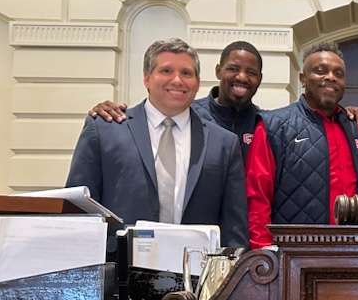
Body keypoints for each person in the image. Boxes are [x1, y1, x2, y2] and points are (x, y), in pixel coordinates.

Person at [66, 37, 249, 249]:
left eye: (187, 73)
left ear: (197, 83)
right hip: (119, 274)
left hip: (197, 276)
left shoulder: (224, 144)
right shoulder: (104, 130)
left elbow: (234, 229)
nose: (177, 80)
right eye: (166, 71)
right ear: (147, 78)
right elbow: (79, 212)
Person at [87, 41, 358, 165]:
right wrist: (112, 111)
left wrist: (348, 113)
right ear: (219, 71)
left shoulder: (266, 123)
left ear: (260, 79)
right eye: (233, 69)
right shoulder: (189, 114)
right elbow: (154, 115)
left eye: (251, 72)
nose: (242, 77)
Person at [246, 42, 358, 249]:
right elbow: (256, 198)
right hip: (295, 257)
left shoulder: (357, 129)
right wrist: (264, 254)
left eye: (338, 73)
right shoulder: (273, 126)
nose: (330, 77)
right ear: (303, 79)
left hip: (353, 253)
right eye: (320, 71)